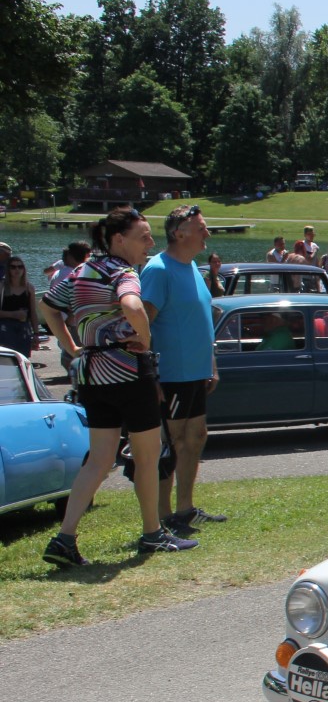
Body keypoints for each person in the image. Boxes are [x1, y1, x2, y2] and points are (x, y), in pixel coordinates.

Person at [39, 207, 199, 565]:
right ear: (118, 240)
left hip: (92, 374)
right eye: (143, 237)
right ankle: (153, 533)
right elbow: (132, 304)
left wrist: (71, 346)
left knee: (98, 460)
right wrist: (144, 339)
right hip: (129, 374)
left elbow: (48, 307)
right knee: (147, 456)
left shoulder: (81, 271)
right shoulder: (123, 272)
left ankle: (64, 539)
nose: (150, 243)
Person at [143, 204, 227, 533]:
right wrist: (152, 378)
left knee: (196, 437)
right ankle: (163, 517)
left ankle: (185, 509)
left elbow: (203, 322)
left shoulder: (191, 267)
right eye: (201, 227)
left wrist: (212, 365)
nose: (207, 232)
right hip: (171, 375)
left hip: (196, 373)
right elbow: (141, 327)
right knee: (172, 442)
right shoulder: (158, 270)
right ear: (180, 233)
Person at [0, 254, 39, 356]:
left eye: (20, 266)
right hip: (5, 328)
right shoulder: (2, 287)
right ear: (8, 269)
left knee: (23, 357)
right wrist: (14, 314)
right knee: (7, 358)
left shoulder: (29, 288)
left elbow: (33, 313)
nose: (17, 270)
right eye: (13, 267)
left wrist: (36, 333)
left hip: (23, 328)